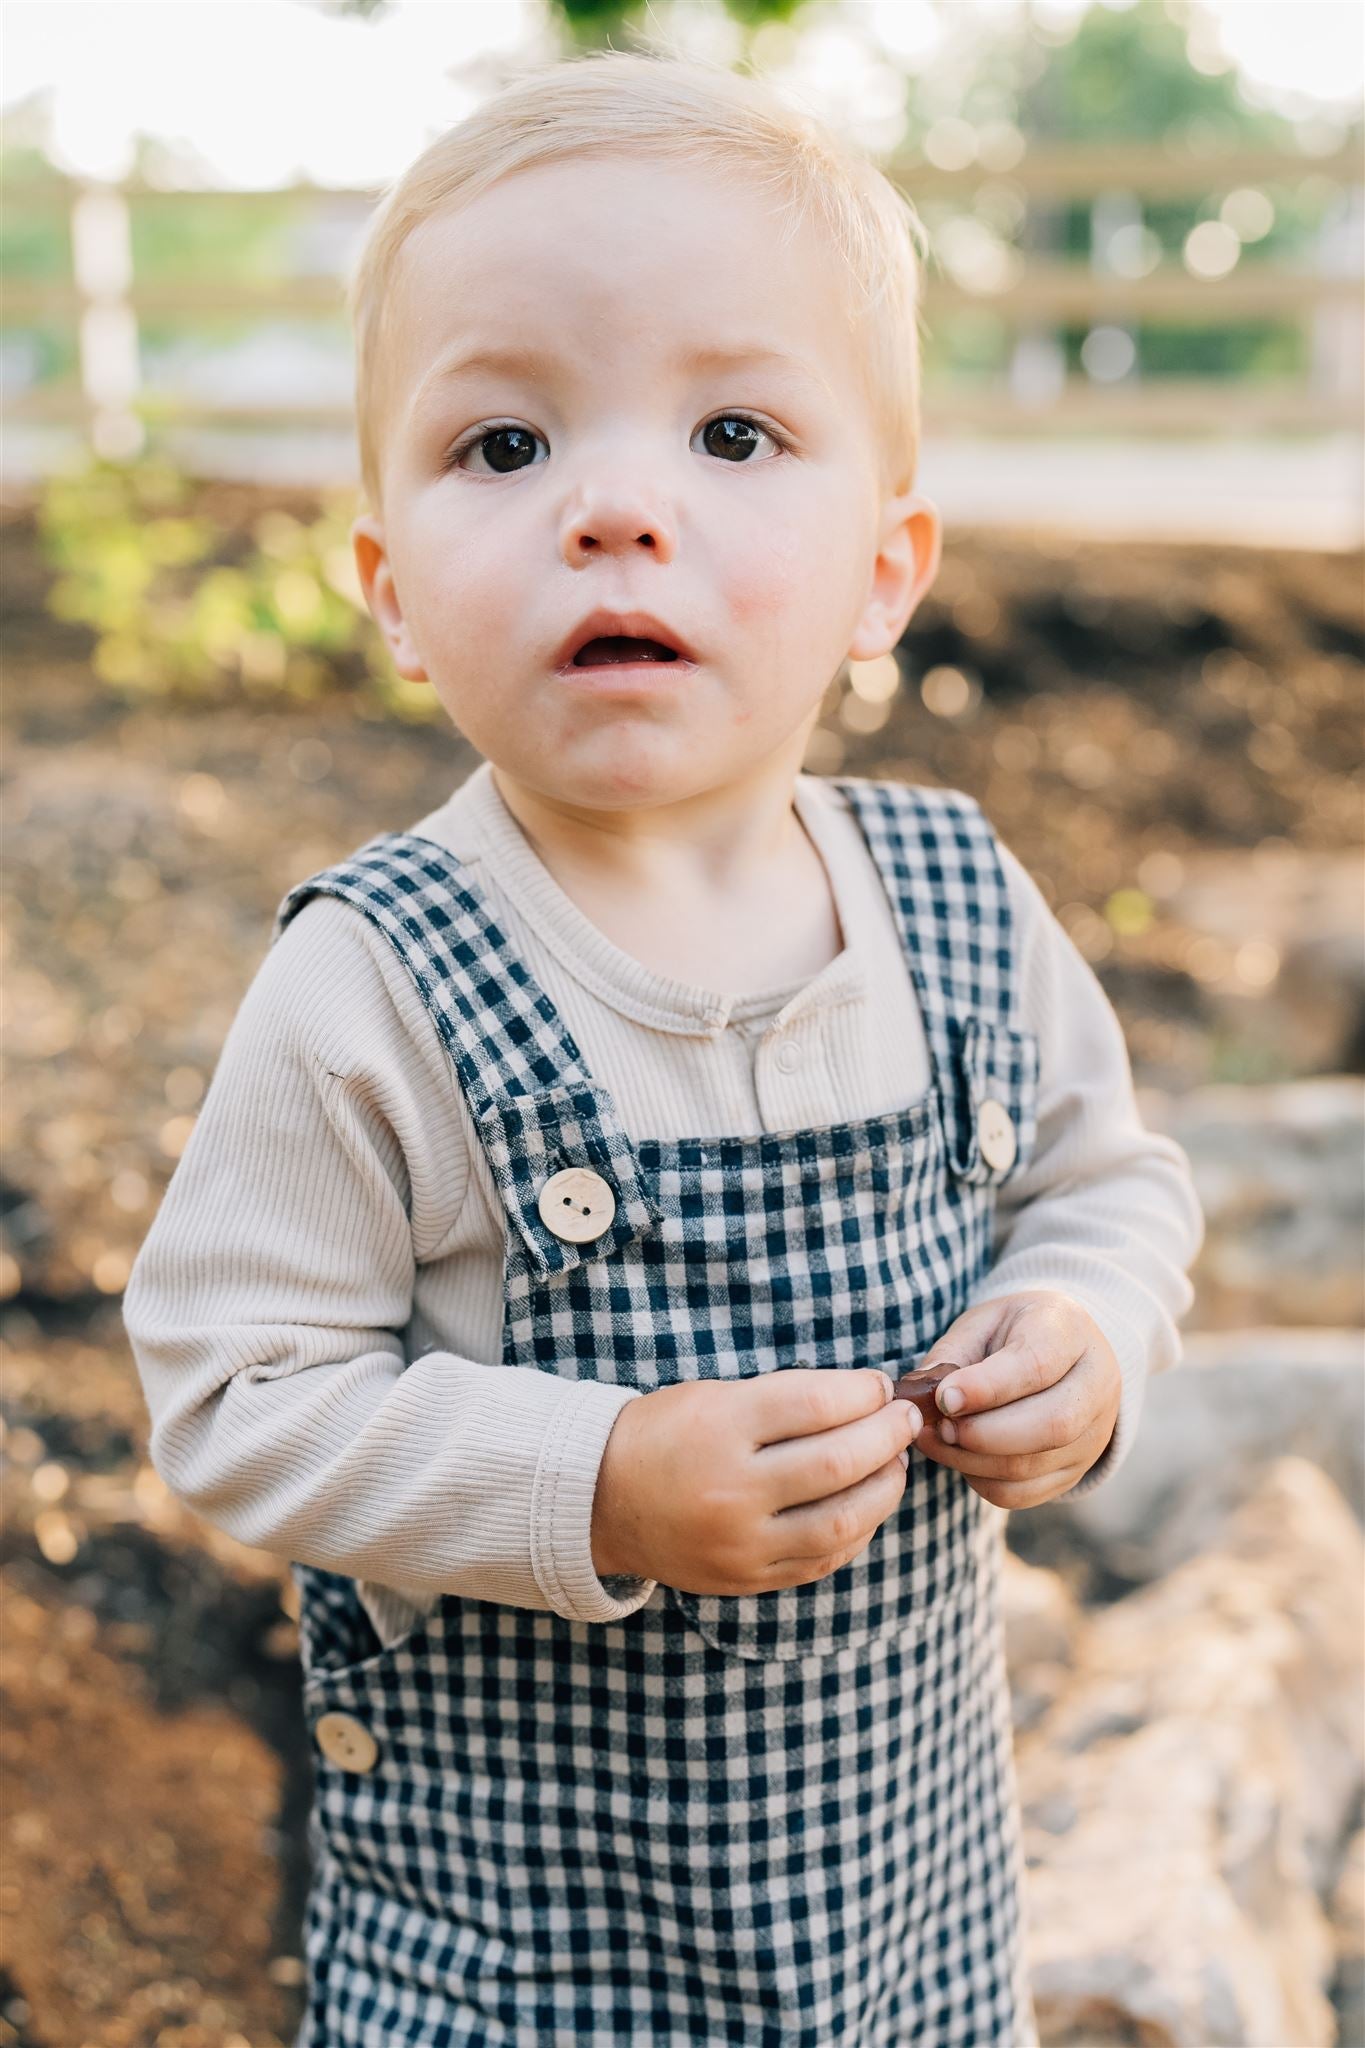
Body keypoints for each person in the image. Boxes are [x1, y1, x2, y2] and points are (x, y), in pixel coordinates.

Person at [122, 48, 1204, 2047]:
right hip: (523, 1965)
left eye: (727, 428)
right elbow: (229, 1385)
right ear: (389, 592)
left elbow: (1103, 1185)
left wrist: (1083, 1333)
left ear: (885, 569)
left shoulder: (955, 899)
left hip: (895, 1916)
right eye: (505, 448)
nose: (615, 508)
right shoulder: (381, 979)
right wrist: (592, 1478)